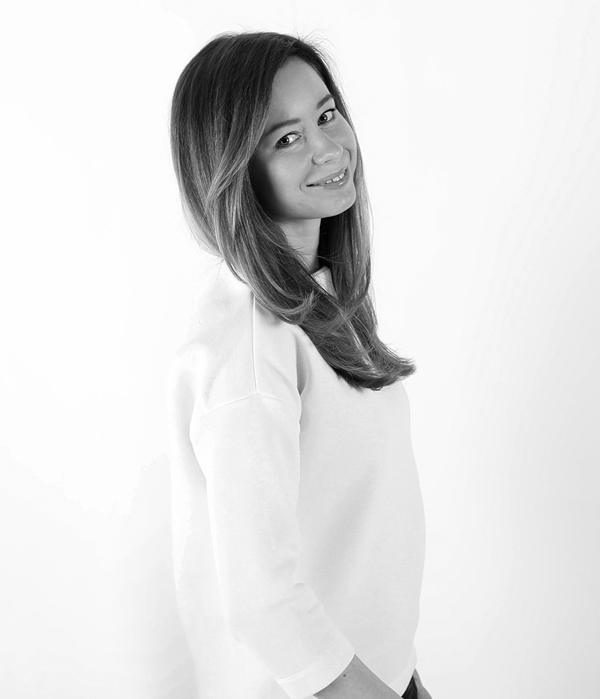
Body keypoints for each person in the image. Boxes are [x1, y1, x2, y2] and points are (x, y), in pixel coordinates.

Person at [166, 30, 432, 699]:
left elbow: (355, 531)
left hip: (376, 676)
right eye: (287, 138)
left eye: (326, 114)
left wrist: (403, 673)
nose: (328, 146)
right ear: (234, 170)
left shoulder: (311, 300)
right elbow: (262, 600)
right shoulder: (251, 345)